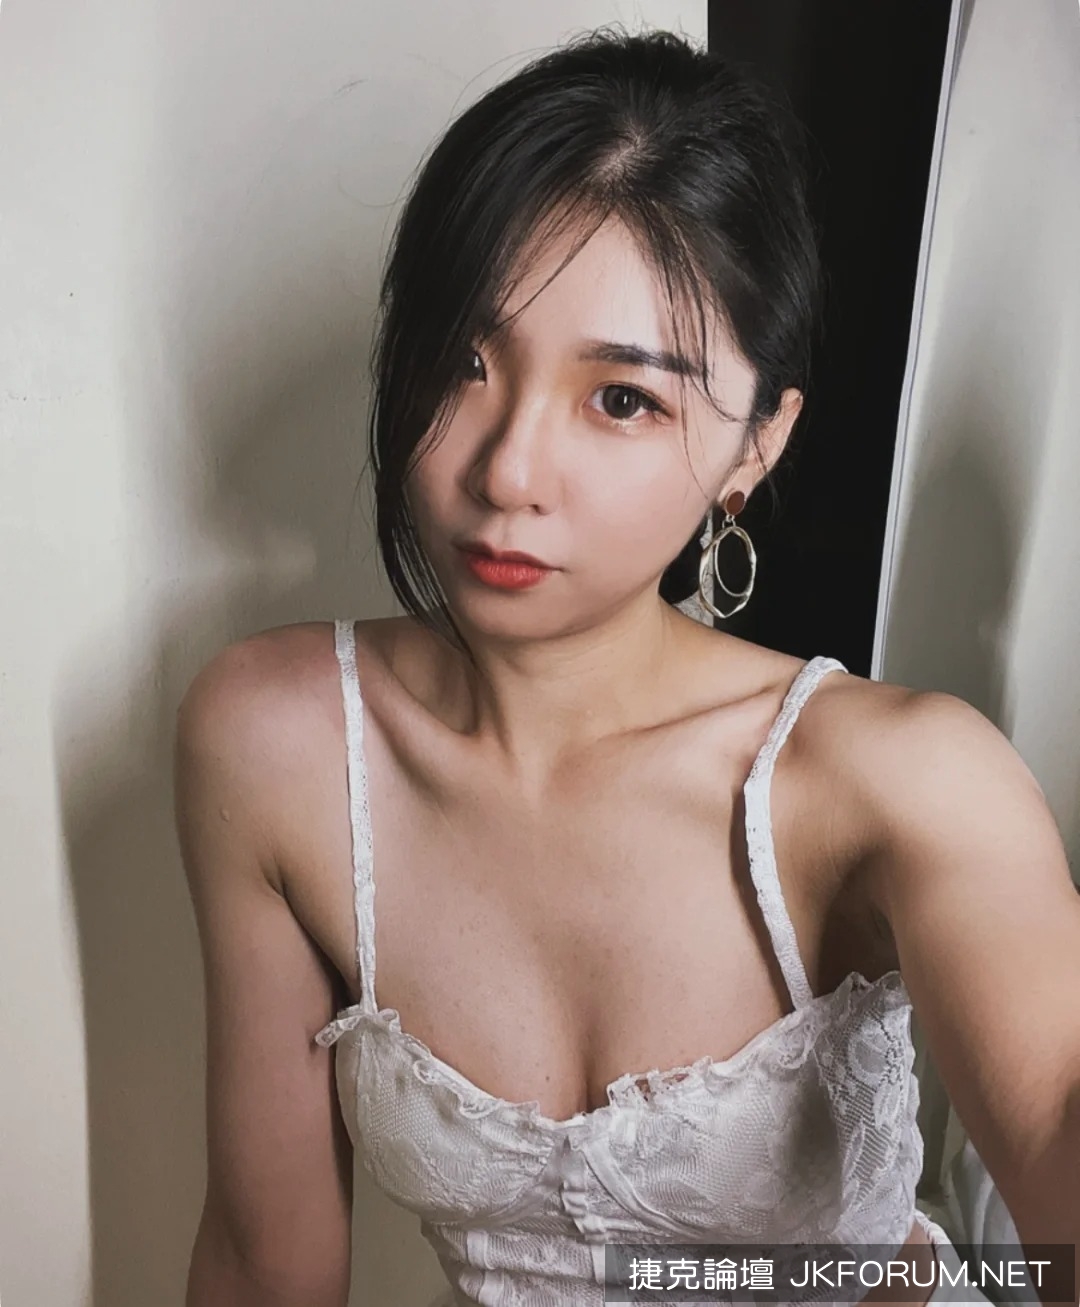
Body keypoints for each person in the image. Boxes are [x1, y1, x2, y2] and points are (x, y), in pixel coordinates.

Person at [174, 26, 1080, 1307]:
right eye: (463, 360)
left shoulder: (895, 778)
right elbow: (266, 1261)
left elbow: (1053, 1116)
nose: (507, 471)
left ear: (756, 443)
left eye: (621, 399)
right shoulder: (277, 747)